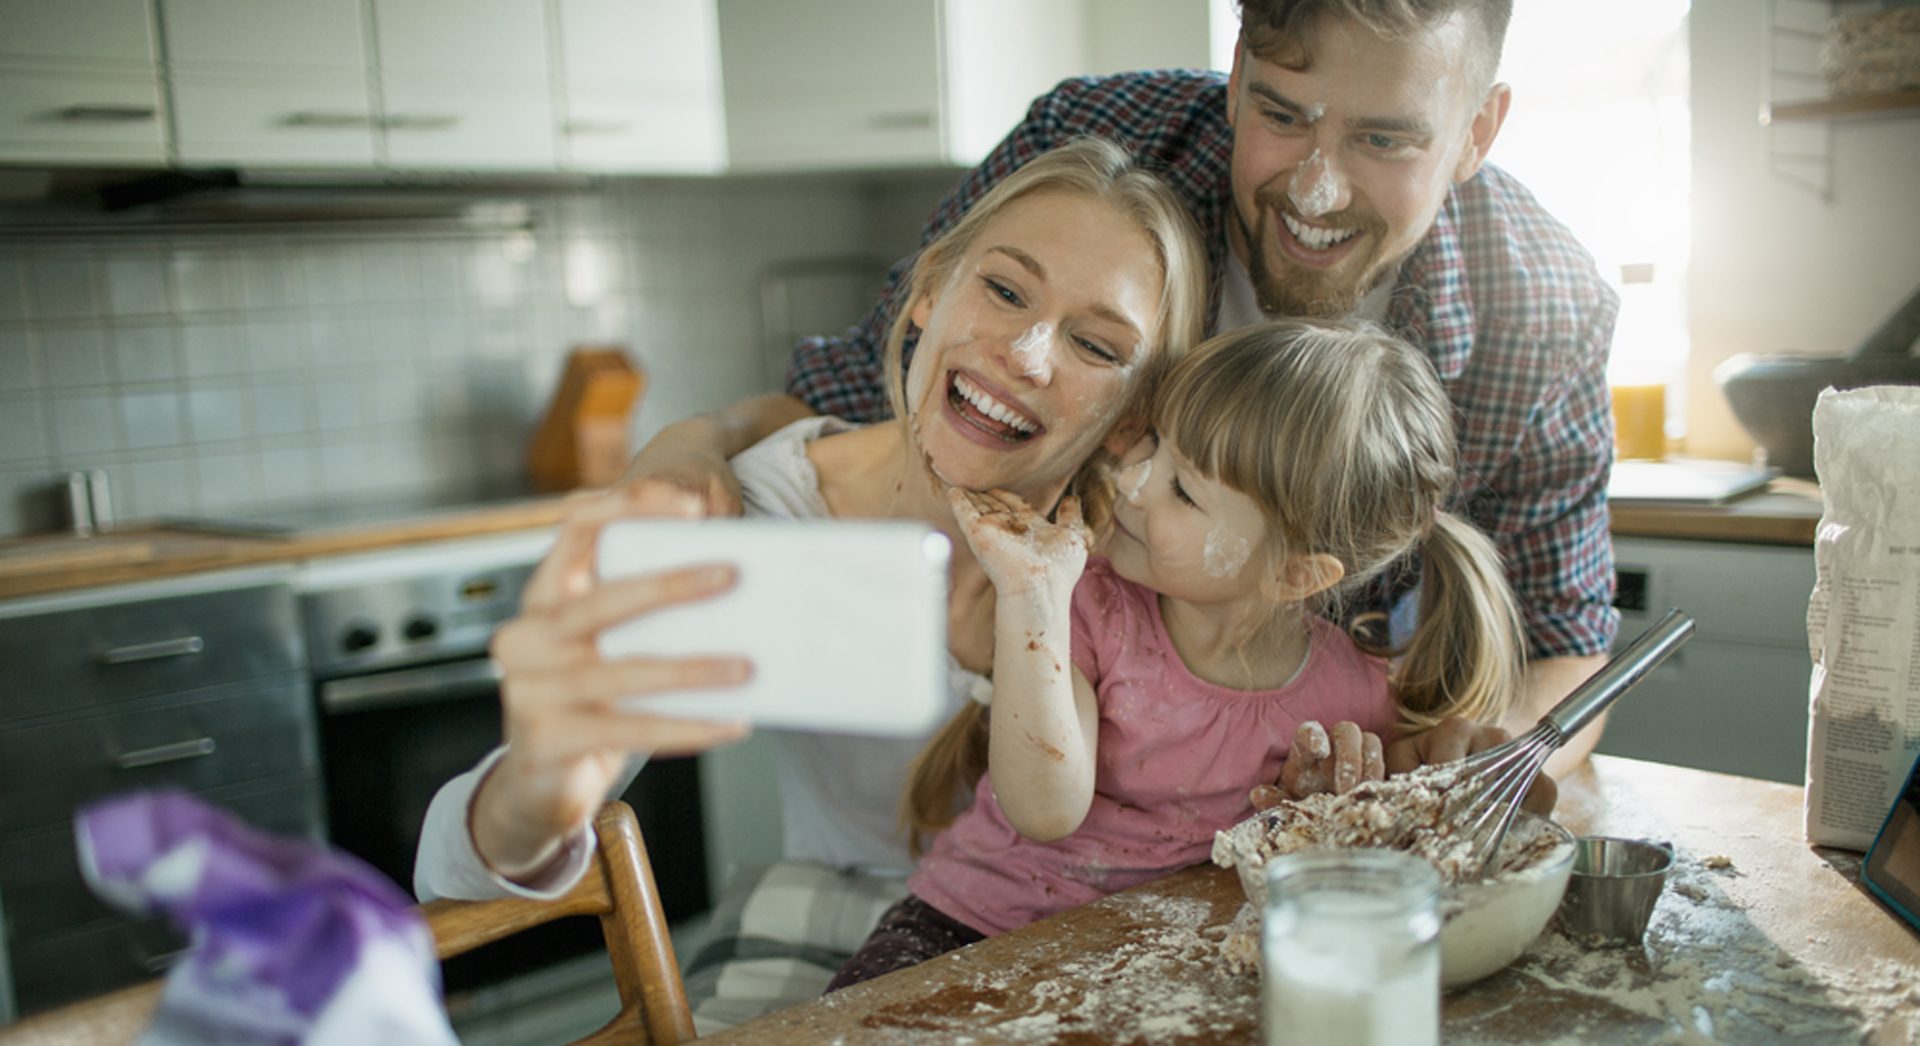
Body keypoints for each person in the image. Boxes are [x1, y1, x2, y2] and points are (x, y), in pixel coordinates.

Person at [629, 0, 1620, 783]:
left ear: (1478, 129)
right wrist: (691, 441)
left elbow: (1569, 642)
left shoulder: (1542, 305)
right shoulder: (1104, 139)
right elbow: (861, 392)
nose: (1316, 187)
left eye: (1386, 141)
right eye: (1281, 113)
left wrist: (1476, 757)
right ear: (1236, 77)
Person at [415, 137, 1212, 1031]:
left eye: (1095, 344)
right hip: (826, 916)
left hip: (1063, 934)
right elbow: (452, 875)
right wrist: (533, 792)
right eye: (1004, 289)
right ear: (927, 290)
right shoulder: (763, 515)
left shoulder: (1151, 558)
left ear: (1133, 414)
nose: (1026, 354)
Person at [825, 318, 1528, 988]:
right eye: (1153, 443)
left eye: (1183, 490)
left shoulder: (1354, 697)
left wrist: (1448, 773)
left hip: (1157, 962)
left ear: (1295, 575)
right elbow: (1045, 809)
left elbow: (1417, 822)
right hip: (971, 928)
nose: (1131, 481)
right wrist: (1031, 594)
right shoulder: (1088, 606)